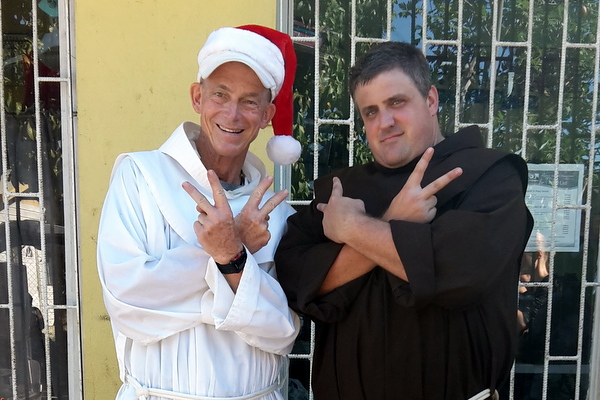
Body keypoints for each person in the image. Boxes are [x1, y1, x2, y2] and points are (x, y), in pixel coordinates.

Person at [275, 41, 534, 400]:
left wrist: (353, 228)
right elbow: (292, 277)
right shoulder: (341, 192)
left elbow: (458, 271)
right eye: (370, 112)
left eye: (397, 102)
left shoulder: (489, 177)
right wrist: (394, 221)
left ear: (430, 100)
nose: (385, 122)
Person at [97, 25, 303, 400]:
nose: (233, 113)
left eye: (250, 101)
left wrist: (210, 272)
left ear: (267, 114)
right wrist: (235, 253)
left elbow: (282, 333)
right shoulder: (140, 177)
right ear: (197, 97)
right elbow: (129, 305)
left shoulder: (276, 213)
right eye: (220, 94)